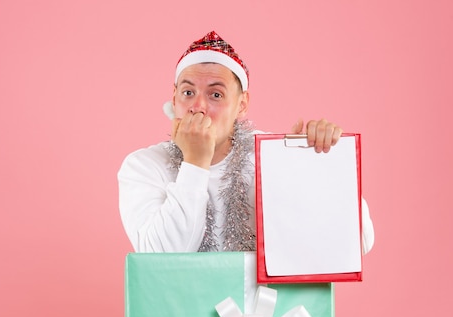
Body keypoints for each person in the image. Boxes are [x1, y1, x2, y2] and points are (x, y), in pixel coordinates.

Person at [118, 31, 374, 253]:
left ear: (242, 105)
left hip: (269, 309)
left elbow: (360, 241)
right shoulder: (143, 166)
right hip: (181, 309)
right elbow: (160, 258)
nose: (199, 107)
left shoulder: (272, 156)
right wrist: (195, 163)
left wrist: (319, 166)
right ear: (174, 100)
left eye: (216, 94)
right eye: (188, 93)